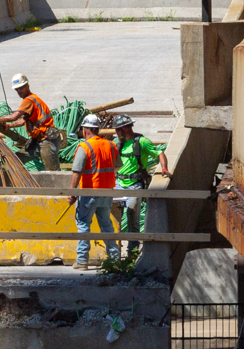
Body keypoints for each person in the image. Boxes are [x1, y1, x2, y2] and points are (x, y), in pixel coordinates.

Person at [113, 119, 169, 258]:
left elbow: (159, 153)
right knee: (110, 217)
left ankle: (131, 254)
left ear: (125, 128)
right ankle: (113, 254)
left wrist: (164, 168)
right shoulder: (117, 143)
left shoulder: (142, 142)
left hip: (134, 185)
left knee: (132, 218)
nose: (115, 132)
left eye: (117, 129)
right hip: (118, 183)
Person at [68, 114, 118, 269]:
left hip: (89, 193)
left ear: (85, 130)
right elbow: (117, 166)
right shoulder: (110, 145)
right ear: (97, 129)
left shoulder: (85, 147)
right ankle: (115, 260)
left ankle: (82, 261)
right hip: (107, 192)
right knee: (107, 226)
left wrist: (72, 193)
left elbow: (77, 171)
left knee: (83, 225)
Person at [0, 74, 58, 170]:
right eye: (16, 89)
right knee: (16, 159)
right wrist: (10, 126)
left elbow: (15, 116)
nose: (19, 91)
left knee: (53, 172)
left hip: (47, 140)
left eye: (21, 88)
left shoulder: (29, 100)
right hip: (38, 141)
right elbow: (23, 121)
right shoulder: (33, 100)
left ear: (27, 86)